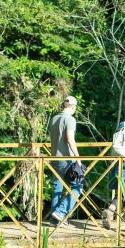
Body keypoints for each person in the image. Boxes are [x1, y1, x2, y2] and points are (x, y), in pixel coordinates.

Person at [47, 95, 83, 225]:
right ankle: (61, 212)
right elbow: (70, 139)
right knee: (78, 186)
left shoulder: (54, 119)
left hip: (54, 157)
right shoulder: (70, 119)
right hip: (66, 159)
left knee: (57, 188)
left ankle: (54, 220)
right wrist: (78, 159)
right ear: (73, 107)